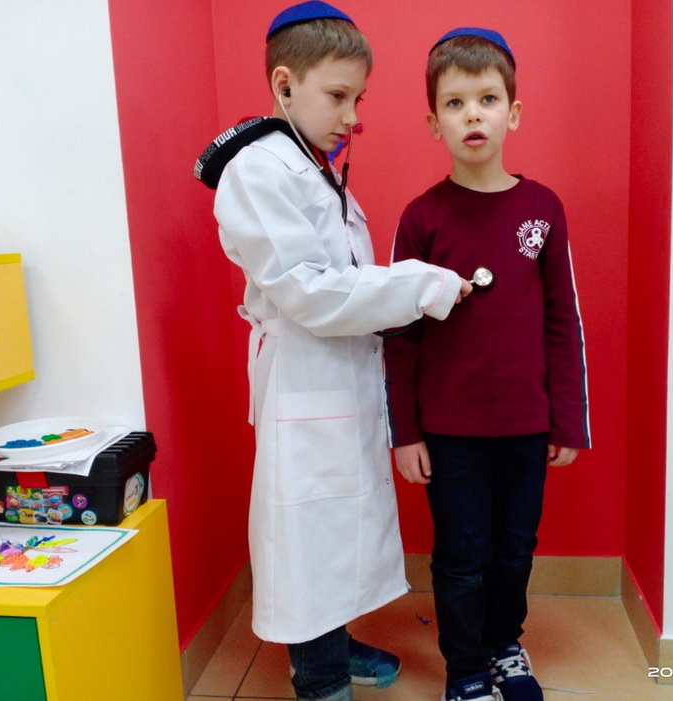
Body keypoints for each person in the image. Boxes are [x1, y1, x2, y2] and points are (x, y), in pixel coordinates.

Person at [193, 4, 472, 701]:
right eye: (338, 96)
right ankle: (317, 677)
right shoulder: (258, 170)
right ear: (285, 85)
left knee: (338, 525)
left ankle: (335, 646)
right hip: (304, 375)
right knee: (309, 532)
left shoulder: (311, 168)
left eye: (358, 99)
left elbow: (341, 280)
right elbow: (309, 291)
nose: (351, 117)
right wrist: (422, 285)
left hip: (340, 376)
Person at [384, 27, 591, 701]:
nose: (472, 114)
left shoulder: (543, 209)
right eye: (455, 103)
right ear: (434, 122)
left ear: (513, 112)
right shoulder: (421, 218)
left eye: (487, 99)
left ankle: (505, 645)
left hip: (526, 424)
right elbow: (400, 332)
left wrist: (567, 420)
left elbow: (562, 320)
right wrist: (405, 432)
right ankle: (466, 666)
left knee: (513, 547)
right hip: (449, 430)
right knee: (461, 553)